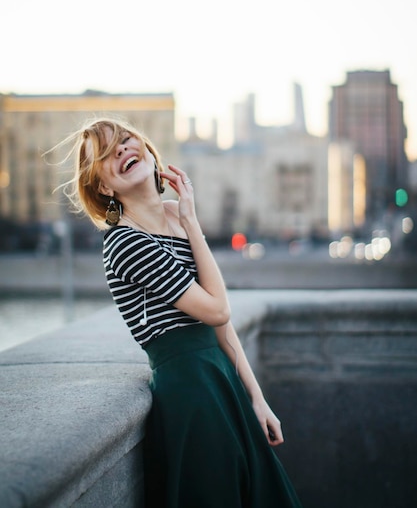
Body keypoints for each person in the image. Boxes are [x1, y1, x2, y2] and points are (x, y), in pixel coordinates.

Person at [58, 116, 303, 508]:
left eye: (125, 139)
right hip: (190, 392)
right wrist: (192, 221)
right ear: (103, 186)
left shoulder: (174, 215)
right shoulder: (124, 242)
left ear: (145, 149)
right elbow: (218, 309)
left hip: (223, 382)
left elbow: (222, 329)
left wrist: (257, 399)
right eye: (106, 152)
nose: (121, 148)